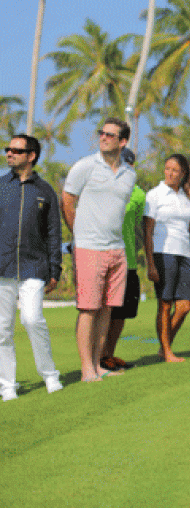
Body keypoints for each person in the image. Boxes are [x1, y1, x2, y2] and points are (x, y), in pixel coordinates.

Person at [62, 117, 137, 382]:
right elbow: (68, 201)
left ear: (123, 141)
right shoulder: (85, 166)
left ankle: (98, 364)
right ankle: (86, 370)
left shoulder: (130, 175)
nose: (103, 138)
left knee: (107, 309)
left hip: (117, 250)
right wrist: (79, 235)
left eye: (110, 135)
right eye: (102, 133)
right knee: (88, 309)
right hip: (89, 248)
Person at [0, 135, 63, 400]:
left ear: (31, 156)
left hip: (34, 267)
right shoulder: (2, 186)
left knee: (32, 318)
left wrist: (55, 269)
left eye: (16, 150)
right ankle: (7, 386)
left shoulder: (45, 191)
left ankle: (50, 375)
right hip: (2, 267)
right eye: (8, 149)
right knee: (2, 329)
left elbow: (53, 232)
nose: (9, 154)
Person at [144, 153, 190, 363]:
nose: (170, 173)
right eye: (167, 169)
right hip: (163, 252)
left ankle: (163, 345)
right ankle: (167, 352)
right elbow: (147, 231)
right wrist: (150, 264)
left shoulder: (187, 198)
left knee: (184, 306)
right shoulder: (154, 195)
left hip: (184, 254)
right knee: (165, 304)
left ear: (183, 173)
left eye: (175, 170)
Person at [100, 148, 144, 372]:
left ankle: (108, 355)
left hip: (128, 261)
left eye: (127, 164)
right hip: (104, 256)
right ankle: (97, 356)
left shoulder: (138, 194)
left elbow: (137, 227)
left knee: (121, 313)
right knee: (104, 310)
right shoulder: (102, 188)